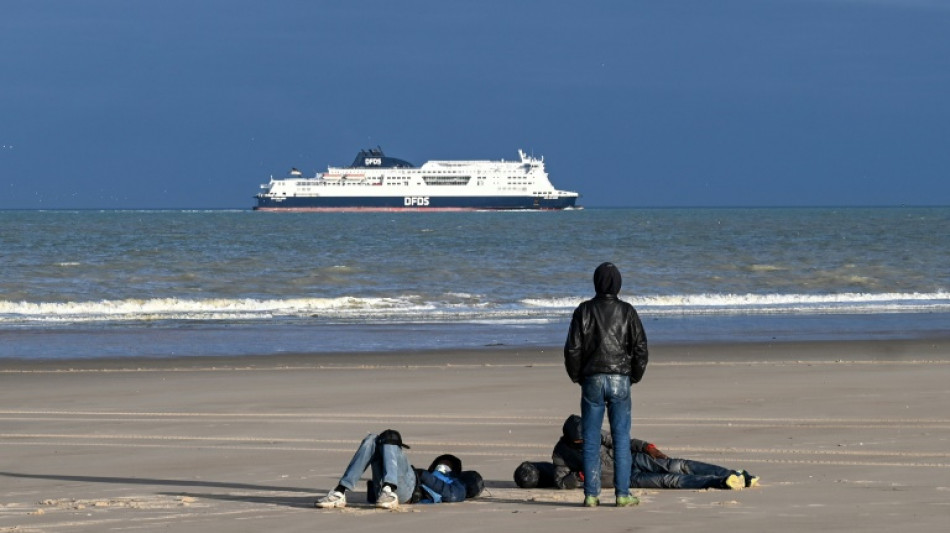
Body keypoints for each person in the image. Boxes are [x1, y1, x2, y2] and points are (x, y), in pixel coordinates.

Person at [564, 262, 649, 507]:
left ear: (596, 282)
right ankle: (622, 494)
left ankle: (592, 494)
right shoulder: (627, 311)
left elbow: (573, 349)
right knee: (621, 438)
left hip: (592, 379)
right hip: (620, 379)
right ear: (618, 284)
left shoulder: (584, 310)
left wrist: (577, 376)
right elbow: (641, 348)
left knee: (591, 440)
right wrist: (633, 376)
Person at [541, 414, 759, 491]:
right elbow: (561, 482)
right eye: (582, 441)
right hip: (625, 479)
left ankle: (736, 474)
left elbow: (619, 440)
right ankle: (720, 483)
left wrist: (646, 447)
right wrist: (578, 477)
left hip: (632, 459)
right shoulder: (561, 454)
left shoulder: (593, 431)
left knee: (678, 465)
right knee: (669, 480)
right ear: (571, 440)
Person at [314, 429, 483, 509]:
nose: (443, 465)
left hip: (411, 490)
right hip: (398, 484)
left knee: (391, 437)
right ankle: (340, 491)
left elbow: (452, 495)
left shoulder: (457, 483)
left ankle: (389, 489)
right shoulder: (433, 473)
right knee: (372, 439)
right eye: (442, 461)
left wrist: (423, 474)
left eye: (447, 463)